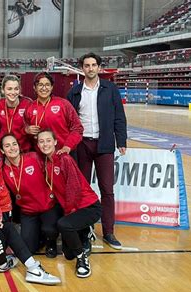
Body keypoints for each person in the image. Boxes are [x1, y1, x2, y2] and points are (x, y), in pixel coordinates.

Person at [66, 52, 127, 250]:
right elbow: (68, 122)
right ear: (82, 68)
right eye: (86, 65)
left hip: (105, 145)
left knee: (107, 190)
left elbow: (119, 116)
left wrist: (121, 140)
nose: (90, 68)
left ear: (99, 68)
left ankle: (109, 231)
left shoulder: (111, 89)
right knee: (81, 190)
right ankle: (85, 230)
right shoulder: (74, 92)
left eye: (93, 65)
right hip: (82, 145)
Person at [37, 129, 102, 278]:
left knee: (64, 224)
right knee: (68, 255)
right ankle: (82, 231)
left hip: (89, 206)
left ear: (55, 142)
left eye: (48, 140)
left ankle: (82, 259)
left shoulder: (65, 159)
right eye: (41, 141)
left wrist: (69, 214)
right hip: (73, 208)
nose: (45, 144)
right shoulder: (47, 163)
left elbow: (74, 188)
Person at [0, 134, 62, 258]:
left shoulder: (33, 157)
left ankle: (51, 242)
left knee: (49, 229)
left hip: (48, 206)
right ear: (2, 150)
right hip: (28, 211)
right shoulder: (4, 170)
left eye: (14, 144)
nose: (12, 148)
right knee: (29, 248)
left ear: (19, 146)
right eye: (7, 146)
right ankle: (40, 235)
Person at [24, 72, 83, 155]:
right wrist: (27, 130)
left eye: (47, 85)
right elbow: (23, 130)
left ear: (52, 87)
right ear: (35, 87)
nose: (44, 88)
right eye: (40, 85)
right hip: (41, 156)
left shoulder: (63, 104)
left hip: (62, 154)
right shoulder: (29, 107)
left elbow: (77, 128)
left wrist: (67, 146)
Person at [0, 75, 32, 153]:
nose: (13, 92)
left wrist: (26, 130)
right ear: (2, 90)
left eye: (16, 89)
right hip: (5, 150)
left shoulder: (28, 104)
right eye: (9, 89)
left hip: (24, 150)